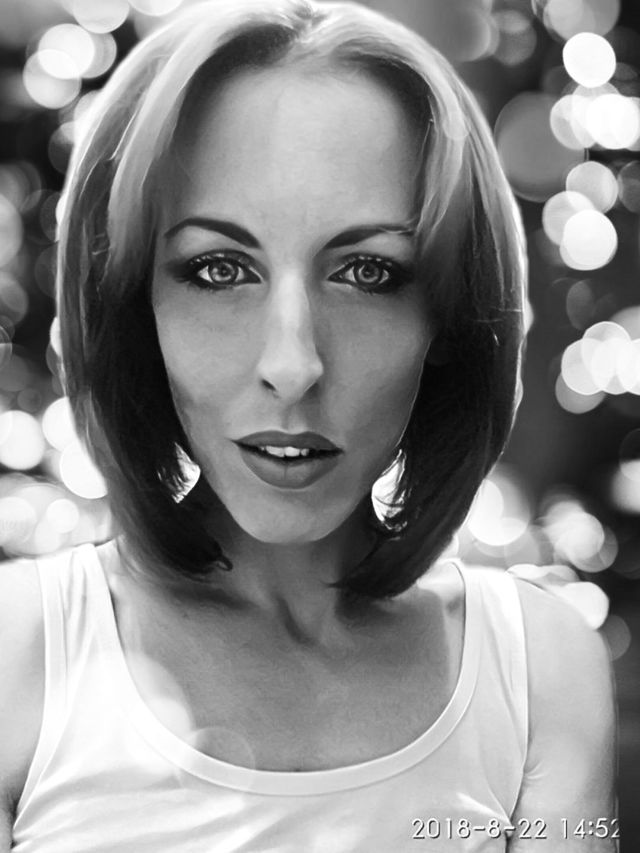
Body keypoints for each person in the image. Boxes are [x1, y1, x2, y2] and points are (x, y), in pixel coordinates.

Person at [1, 0, 617, 850]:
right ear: (134, 306)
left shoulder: (541, 671)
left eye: (368, 272)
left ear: (449, 316)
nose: (293, 364)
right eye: (219, 269)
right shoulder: (17, 651)